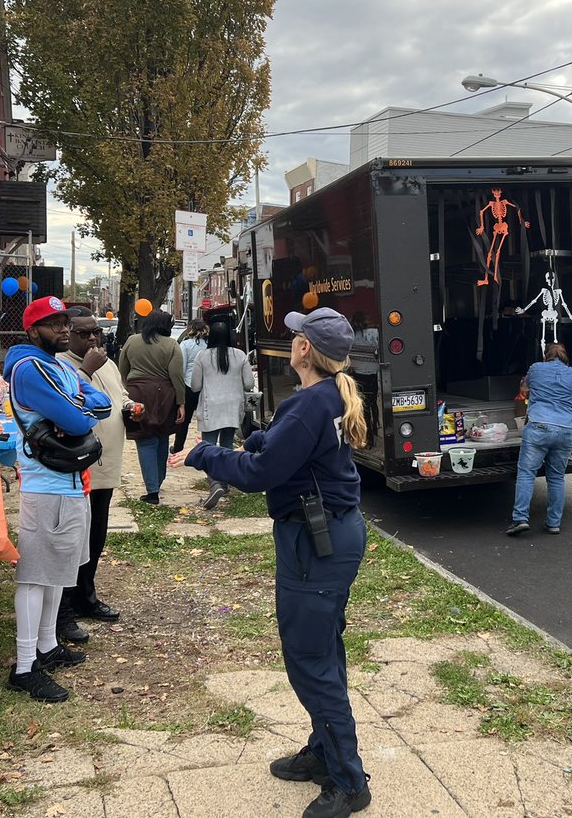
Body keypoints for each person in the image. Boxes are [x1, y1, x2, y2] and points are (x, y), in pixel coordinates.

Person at [168, 307, 372, 818]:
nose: (290, 339)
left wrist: (205, 455)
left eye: (296, 334)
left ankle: (348, 781)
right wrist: (262, 438)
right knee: (322, 650)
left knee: (310, 661)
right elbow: (290, 447)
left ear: (305, 348)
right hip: (327, 533)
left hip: (315, 541)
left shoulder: (310, 404)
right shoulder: (324, 397)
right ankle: (324, 754)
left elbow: (261, 472)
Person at [3, 296, 111, 702]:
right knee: (35, 575)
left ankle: (46, 646)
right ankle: (24, 665)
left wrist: (76, 407)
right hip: (46, 483)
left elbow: (100, 403)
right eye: (53, 324)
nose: (63, 329)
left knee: (57, 572)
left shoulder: (58, 365)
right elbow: (78, 419)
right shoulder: (30, 368)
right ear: (32, 331)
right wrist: (76, 410)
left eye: (65, 322)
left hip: (69, 482)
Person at [55, 309, 135, 644]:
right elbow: (68, 405)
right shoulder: (59, 365)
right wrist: (86, 371)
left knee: (97, 534)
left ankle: (87, 595)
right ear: (68, 333)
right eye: (84, 333)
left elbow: (119, 395)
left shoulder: (109, 363)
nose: (92, 339)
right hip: (78, 467)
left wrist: (130, 407)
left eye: (96, 333)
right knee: (74, 539)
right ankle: (65, 608)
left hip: (108, 465)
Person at [506, 341, 572, 537]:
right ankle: (553, 523)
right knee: (557, 477)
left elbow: (524, 389)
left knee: (526, 473)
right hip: (567, 430)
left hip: (539, 427)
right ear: (565, 356)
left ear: (546, 355)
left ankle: (520, 519)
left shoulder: (536, 369)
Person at [119, 310, 184, 505]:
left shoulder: (132, 341)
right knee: (162, 436)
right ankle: (158, 480)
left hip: (137, 392)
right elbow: (177, 376)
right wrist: (181, 402)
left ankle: (152, 488)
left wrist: (128, 388)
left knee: (144, 439)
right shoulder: (171, 344)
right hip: (164, 393)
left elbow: (123, 368)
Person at [191, 320, 255, 509]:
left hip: (211, 407)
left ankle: (215, 484)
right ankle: (224, 484)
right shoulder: (240, 355)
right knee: (226, 446)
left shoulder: (202, 356)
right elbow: (249, 384)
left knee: (207, 447)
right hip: (233, 407)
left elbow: (195, 386)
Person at [172, 319, 209, 454]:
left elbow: (181, 367)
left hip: (189, 385)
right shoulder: (209, 345)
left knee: (184, 420)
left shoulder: (186, 345)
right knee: (206, 418)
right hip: (206, 386)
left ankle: (178, 447)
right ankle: (207, 447)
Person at [350, 312, 380, 447]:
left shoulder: (351, 336)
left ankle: (368, 437)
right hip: (373, 373)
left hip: (358, 375)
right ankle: (375, 427)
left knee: (363, 406)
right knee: (373, 402)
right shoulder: (376, 333)